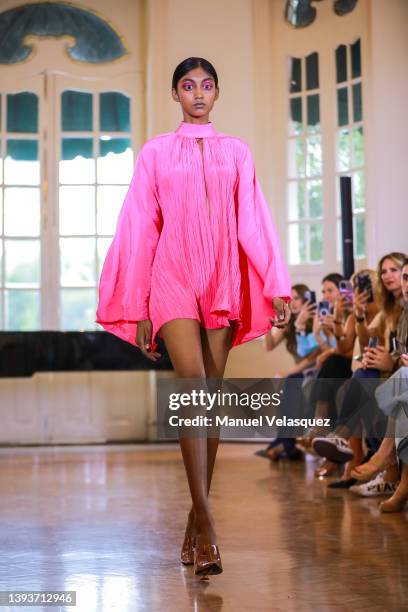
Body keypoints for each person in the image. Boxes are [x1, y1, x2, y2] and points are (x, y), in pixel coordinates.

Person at [95, 57, 292, 576]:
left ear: (217, 93)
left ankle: (193, 524)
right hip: (172, 273)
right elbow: (139, 225)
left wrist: (275, 281)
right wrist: (137, 305)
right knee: (192, 385)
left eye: (206, 85)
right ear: (175, 94)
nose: (198, 93)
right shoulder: (157, 151)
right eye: (188, 86)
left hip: (222, 273)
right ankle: (209, 525)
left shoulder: (237, 152)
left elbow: (252, 216)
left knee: (212, 394)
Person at [256, 284, 321, 461]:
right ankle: (285, 444)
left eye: (296, 298)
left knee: (291, 384)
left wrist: (288, 373)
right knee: (288, 394)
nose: (292, 303)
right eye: (290, 299)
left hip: (314, 370)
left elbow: (313, 357)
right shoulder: (291, 324)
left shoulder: (314, 320)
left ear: (307, 299)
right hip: (300, 374)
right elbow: (269, 346)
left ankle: (284, 445)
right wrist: (266, 324)